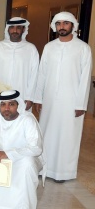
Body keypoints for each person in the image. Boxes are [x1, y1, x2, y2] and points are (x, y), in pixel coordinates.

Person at [34, 12, 92, 183]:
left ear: (73, 26)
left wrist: (81, 104)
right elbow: (42, 74)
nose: (62, 27)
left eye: (66, 23)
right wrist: (38, 98)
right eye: (58, 23)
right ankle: (44, 167)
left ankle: (63, 172)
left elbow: (85, 78)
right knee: (47, 132)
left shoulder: (83, 48)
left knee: (68, 135)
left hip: (72, 101)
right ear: (55, 26)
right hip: (50, 99)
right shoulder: (49, 47)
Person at [0, 90, 44, 209]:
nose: (6, 108)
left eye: (11, 104)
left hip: (24, 159)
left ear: (18, 105)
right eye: (3, 104)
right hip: (3, 161)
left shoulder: (27, 120)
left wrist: (8, 153)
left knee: (27, 163)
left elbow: (36, 149)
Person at [0, 17, 39, 117]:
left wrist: (30, 97)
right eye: (12, 27)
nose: (15, 31)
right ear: (8, 29)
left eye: (18, 27)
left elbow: (34, 75)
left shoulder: (31, 49)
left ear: (23, 29)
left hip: (22, 94)